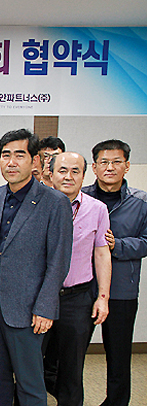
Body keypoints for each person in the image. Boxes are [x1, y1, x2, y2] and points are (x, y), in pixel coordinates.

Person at [0, 129, 72, 406]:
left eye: (19, 155)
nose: (11, 162)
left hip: (29, 307)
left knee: (30, 384)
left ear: (35, 161)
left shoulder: (55, 202)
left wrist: (45, 307)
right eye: (5, 155)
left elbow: (59, 260)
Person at [82, 139, 147, 406]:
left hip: (122, 289)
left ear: (127, 166)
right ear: (94, 167)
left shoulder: (141, 202)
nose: (110, 167)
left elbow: (146, 242)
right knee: (68, 355)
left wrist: (116, 245)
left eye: (116, 162)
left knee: (118, 355)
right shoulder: (81, 197)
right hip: (82, 288)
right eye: (104, 162)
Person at [45, 151, 111, 406]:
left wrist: (102, 297)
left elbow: (102, 254)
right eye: (62, 170)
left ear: (84, 175)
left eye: (76, 171)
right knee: (31, 365)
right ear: (50, 174)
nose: (68, 176)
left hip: (77, 298)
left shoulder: (97, 209)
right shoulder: (36, 206)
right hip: (41, 298)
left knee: (72, 369)